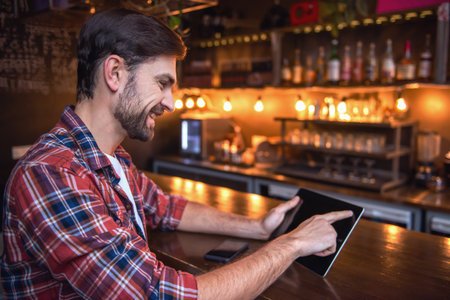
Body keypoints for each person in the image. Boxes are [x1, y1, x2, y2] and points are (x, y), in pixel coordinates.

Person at [0, 9, 352, 299]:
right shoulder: (51, 174)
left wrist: (258, 227)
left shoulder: (111, 158)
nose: (171, 102)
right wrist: (290, 245)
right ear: (115, 73)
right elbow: (161, 295)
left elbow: (165, 208)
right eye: (162, 83)